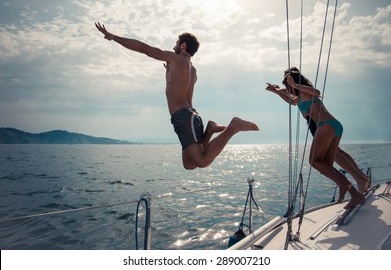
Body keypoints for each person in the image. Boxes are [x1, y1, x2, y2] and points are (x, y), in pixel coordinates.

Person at [95, 23, 259, 170]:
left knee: (201, 162)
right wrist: (168, 73)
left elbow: (144, 48)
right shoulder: (192, 71)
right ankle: (208, 130)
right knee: (189, 165)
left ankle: (233, 127)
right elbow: (184, 96)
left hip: (183, 117)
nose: (173, 46)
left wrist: (113, 37)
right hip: (190, 115)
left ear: (183, 45)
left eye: (176, 42)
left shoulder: (175, 59)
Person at [265, 67, 364, 209]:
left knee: (314, 161)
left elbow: (317, 93)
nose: (289, 89)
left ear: (296, 83)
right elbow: (291, 101)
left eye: (289, 86)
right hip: (333, 127)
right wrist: (276, 91)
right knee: (326, 165)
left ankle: (345, 184)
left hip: (326, 126)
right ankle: (355, 194)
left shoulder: (307, 93)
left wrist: (294, 85)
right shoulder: (299, 98)